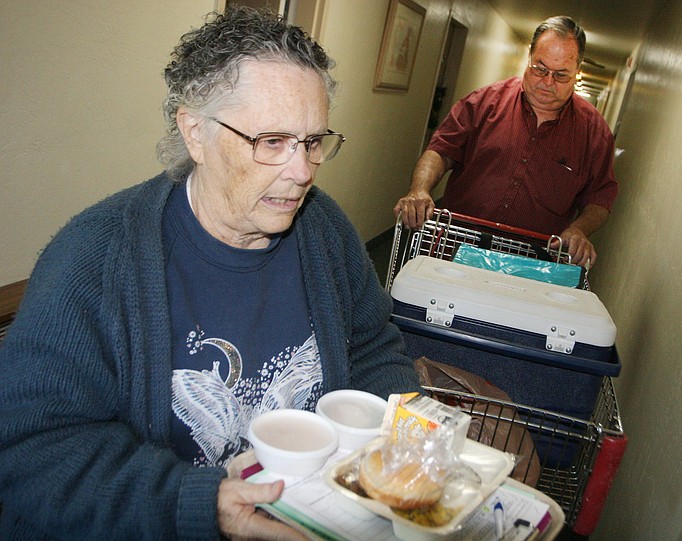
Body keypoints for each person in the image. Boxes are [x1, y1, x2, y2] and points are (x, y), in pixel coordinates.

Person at [0, 8, 422, 540]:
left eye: (313, 141)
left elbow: (372, 346)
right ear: (194, 132)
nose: (301, 172)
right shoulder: (92, 260)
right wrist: (199, 504)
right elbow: (30, 453)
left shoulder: (324, 229)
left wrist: (401, 440)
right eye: (271, 141)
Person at [394, 16, 618, 268]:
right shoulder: (484, 102)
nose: (547, 82)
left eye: (561, 75)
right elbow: (441, 151)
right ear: (529, 57)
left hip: (531, 266)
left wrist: (579, 230)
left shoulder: (593, 132)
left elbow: (599, 197)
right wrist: (420, 190)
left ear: (577, 72)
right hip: (455, 250)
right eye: (540, 68)